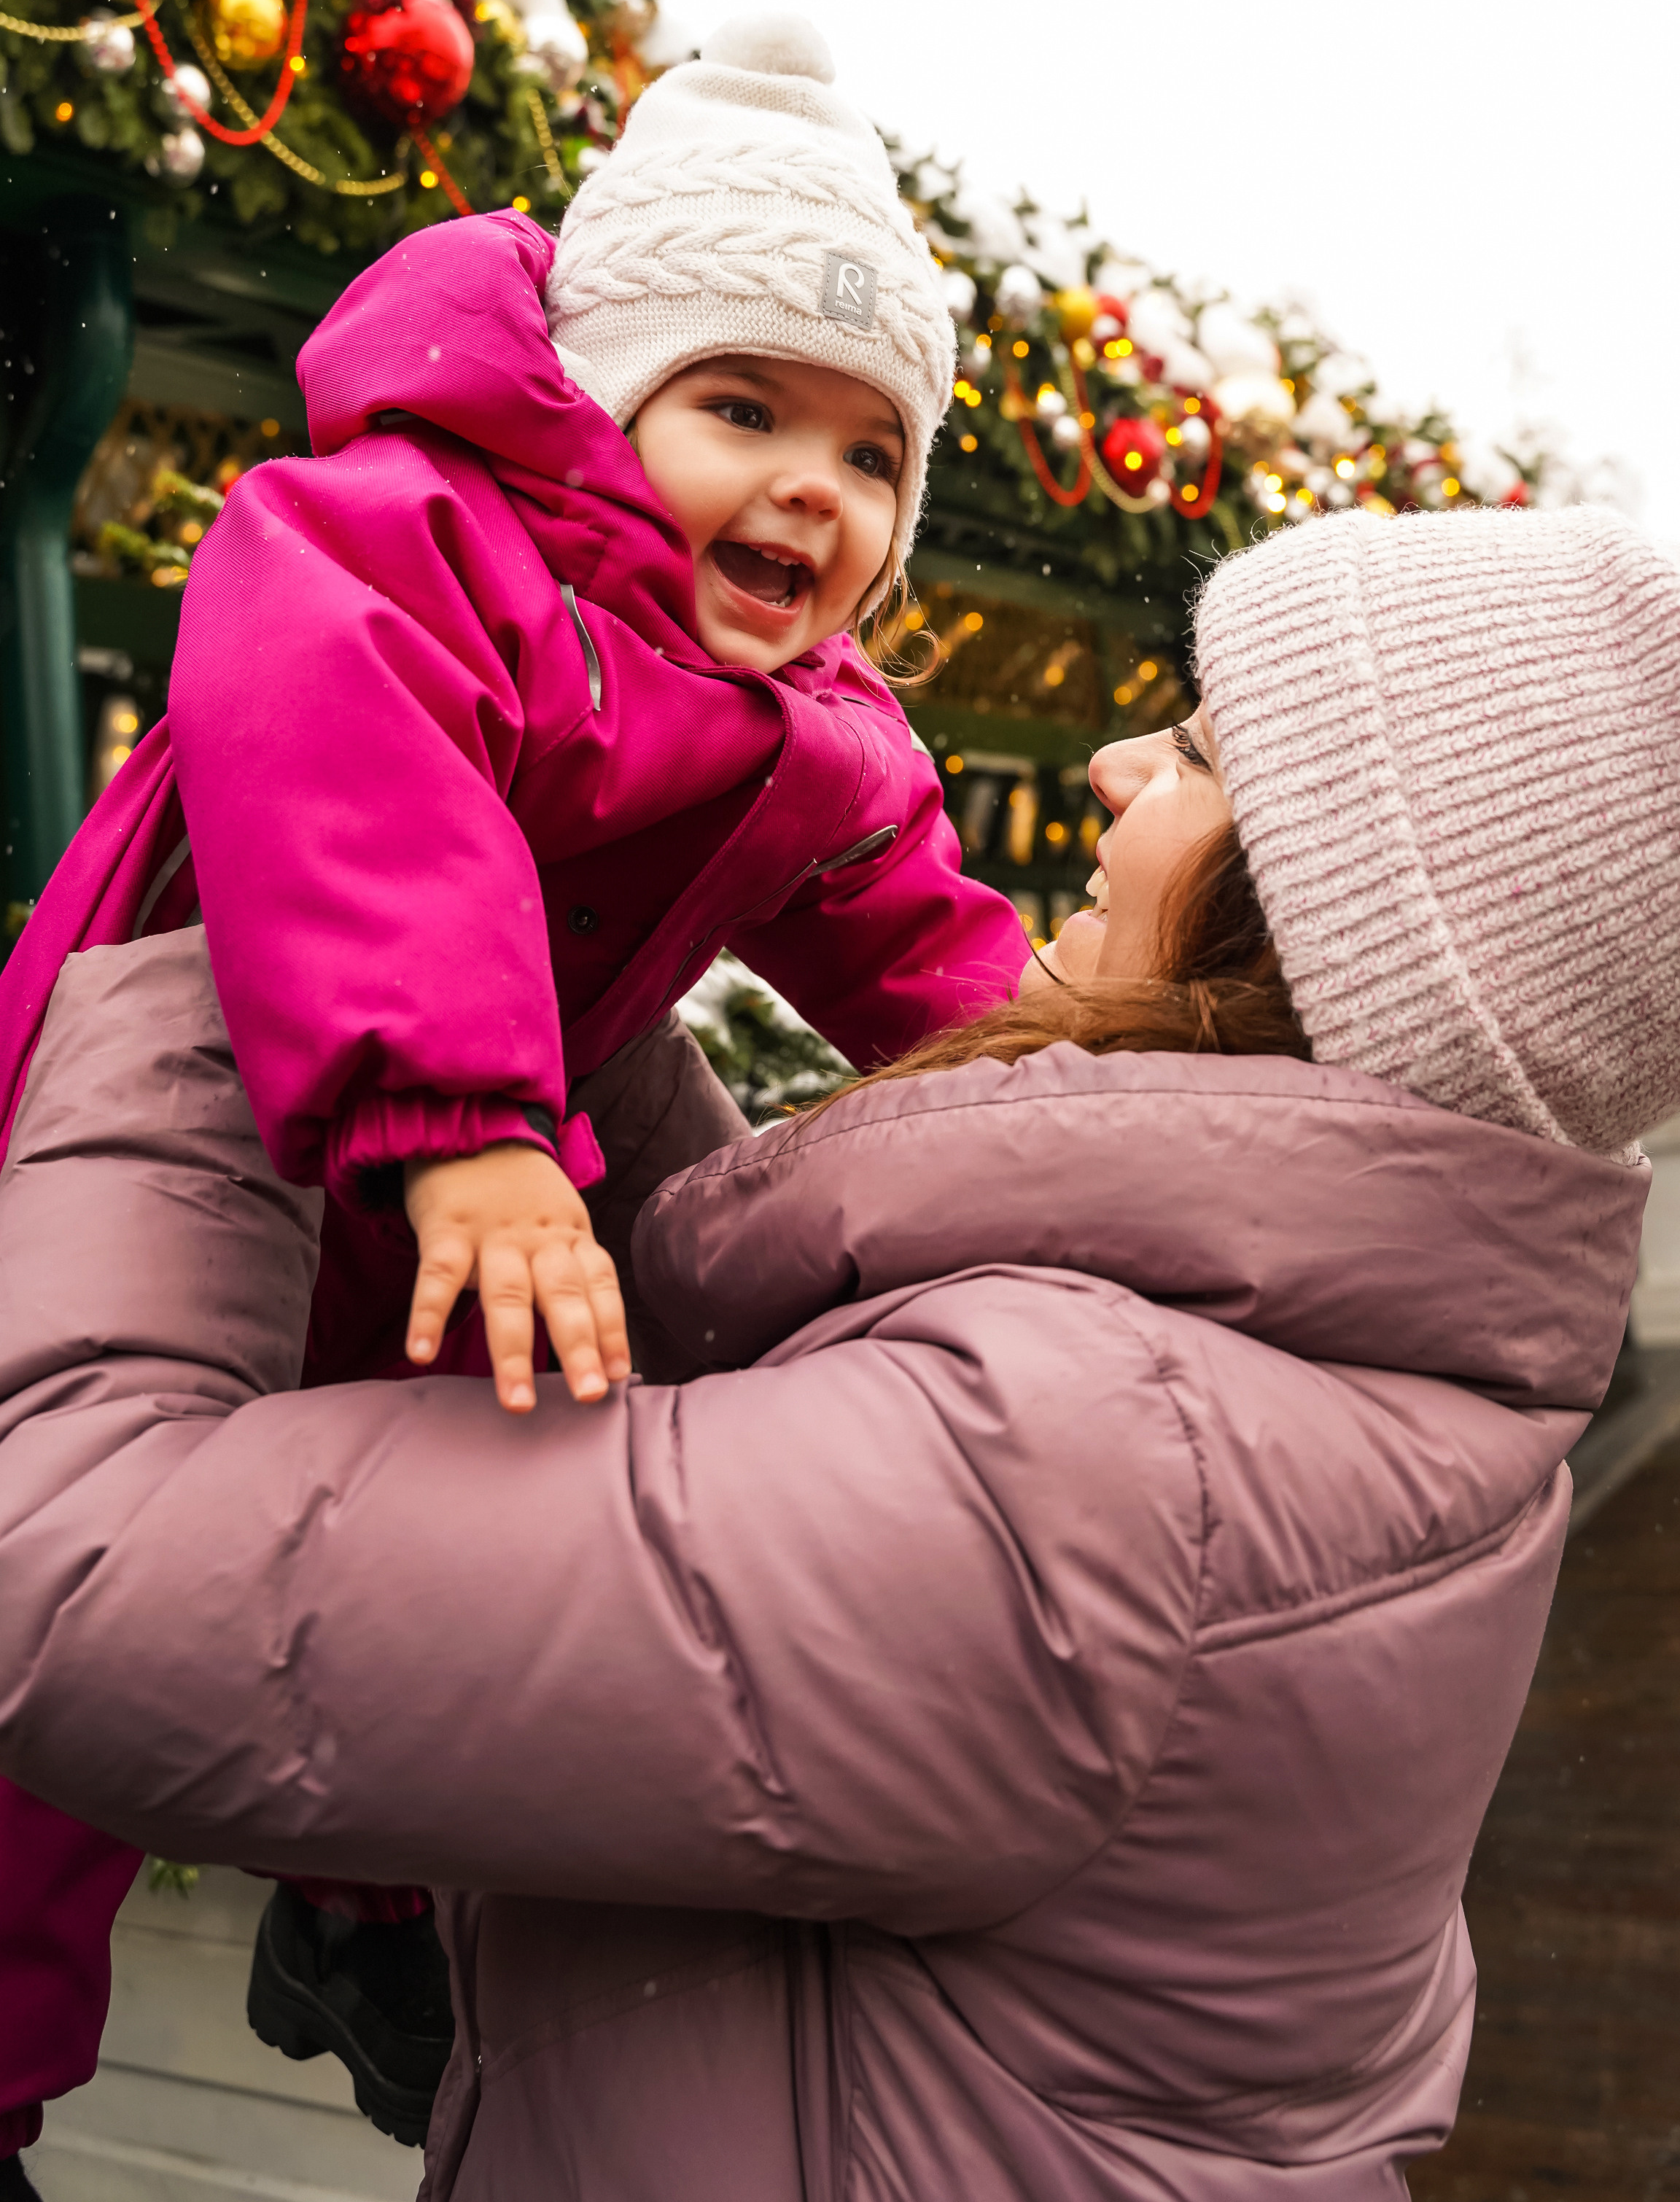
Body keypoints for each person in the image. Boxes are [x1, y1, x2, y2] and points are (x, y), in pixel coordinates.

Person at [1, 502, 1671, 2197]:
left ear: (1320, 928)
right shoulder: (1316, 1389)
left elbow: (73, 1567)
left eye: (1195, 752)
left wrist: (255, 917)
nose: (1105, 763)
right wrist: (543, 987)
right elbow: (779, 1398)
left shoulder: (1093, 1482)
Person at [0, 13, 1032, 2170]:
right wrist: (467, 1114)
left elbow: (942, 965)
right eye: (739, 408)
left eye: (865, 455)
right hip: (186, 1120)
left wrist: (1103, 1112)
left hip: (454, 1184)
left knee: (440, 1513)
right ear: (600, 394)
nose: (805, 491)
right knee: (57, 1651)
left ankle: (373, 1914)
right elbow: (347, 754)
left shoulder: (812, 732)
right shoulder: (413, 537)